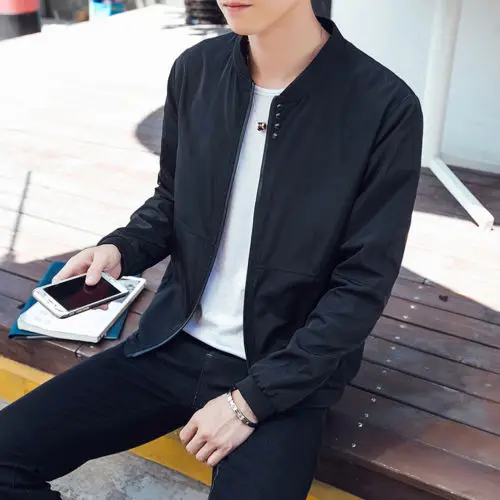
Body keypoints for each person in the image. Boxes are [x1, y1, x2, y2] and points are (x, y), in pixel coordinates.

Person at [0, 0, 423, 498]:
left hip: (283, 369)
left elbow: (361, 285)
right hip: (171, 343)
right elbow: (172, 199)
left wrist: (252, 401)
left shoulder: (383, 106)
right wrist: (121, 248)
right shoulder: (196, 71)